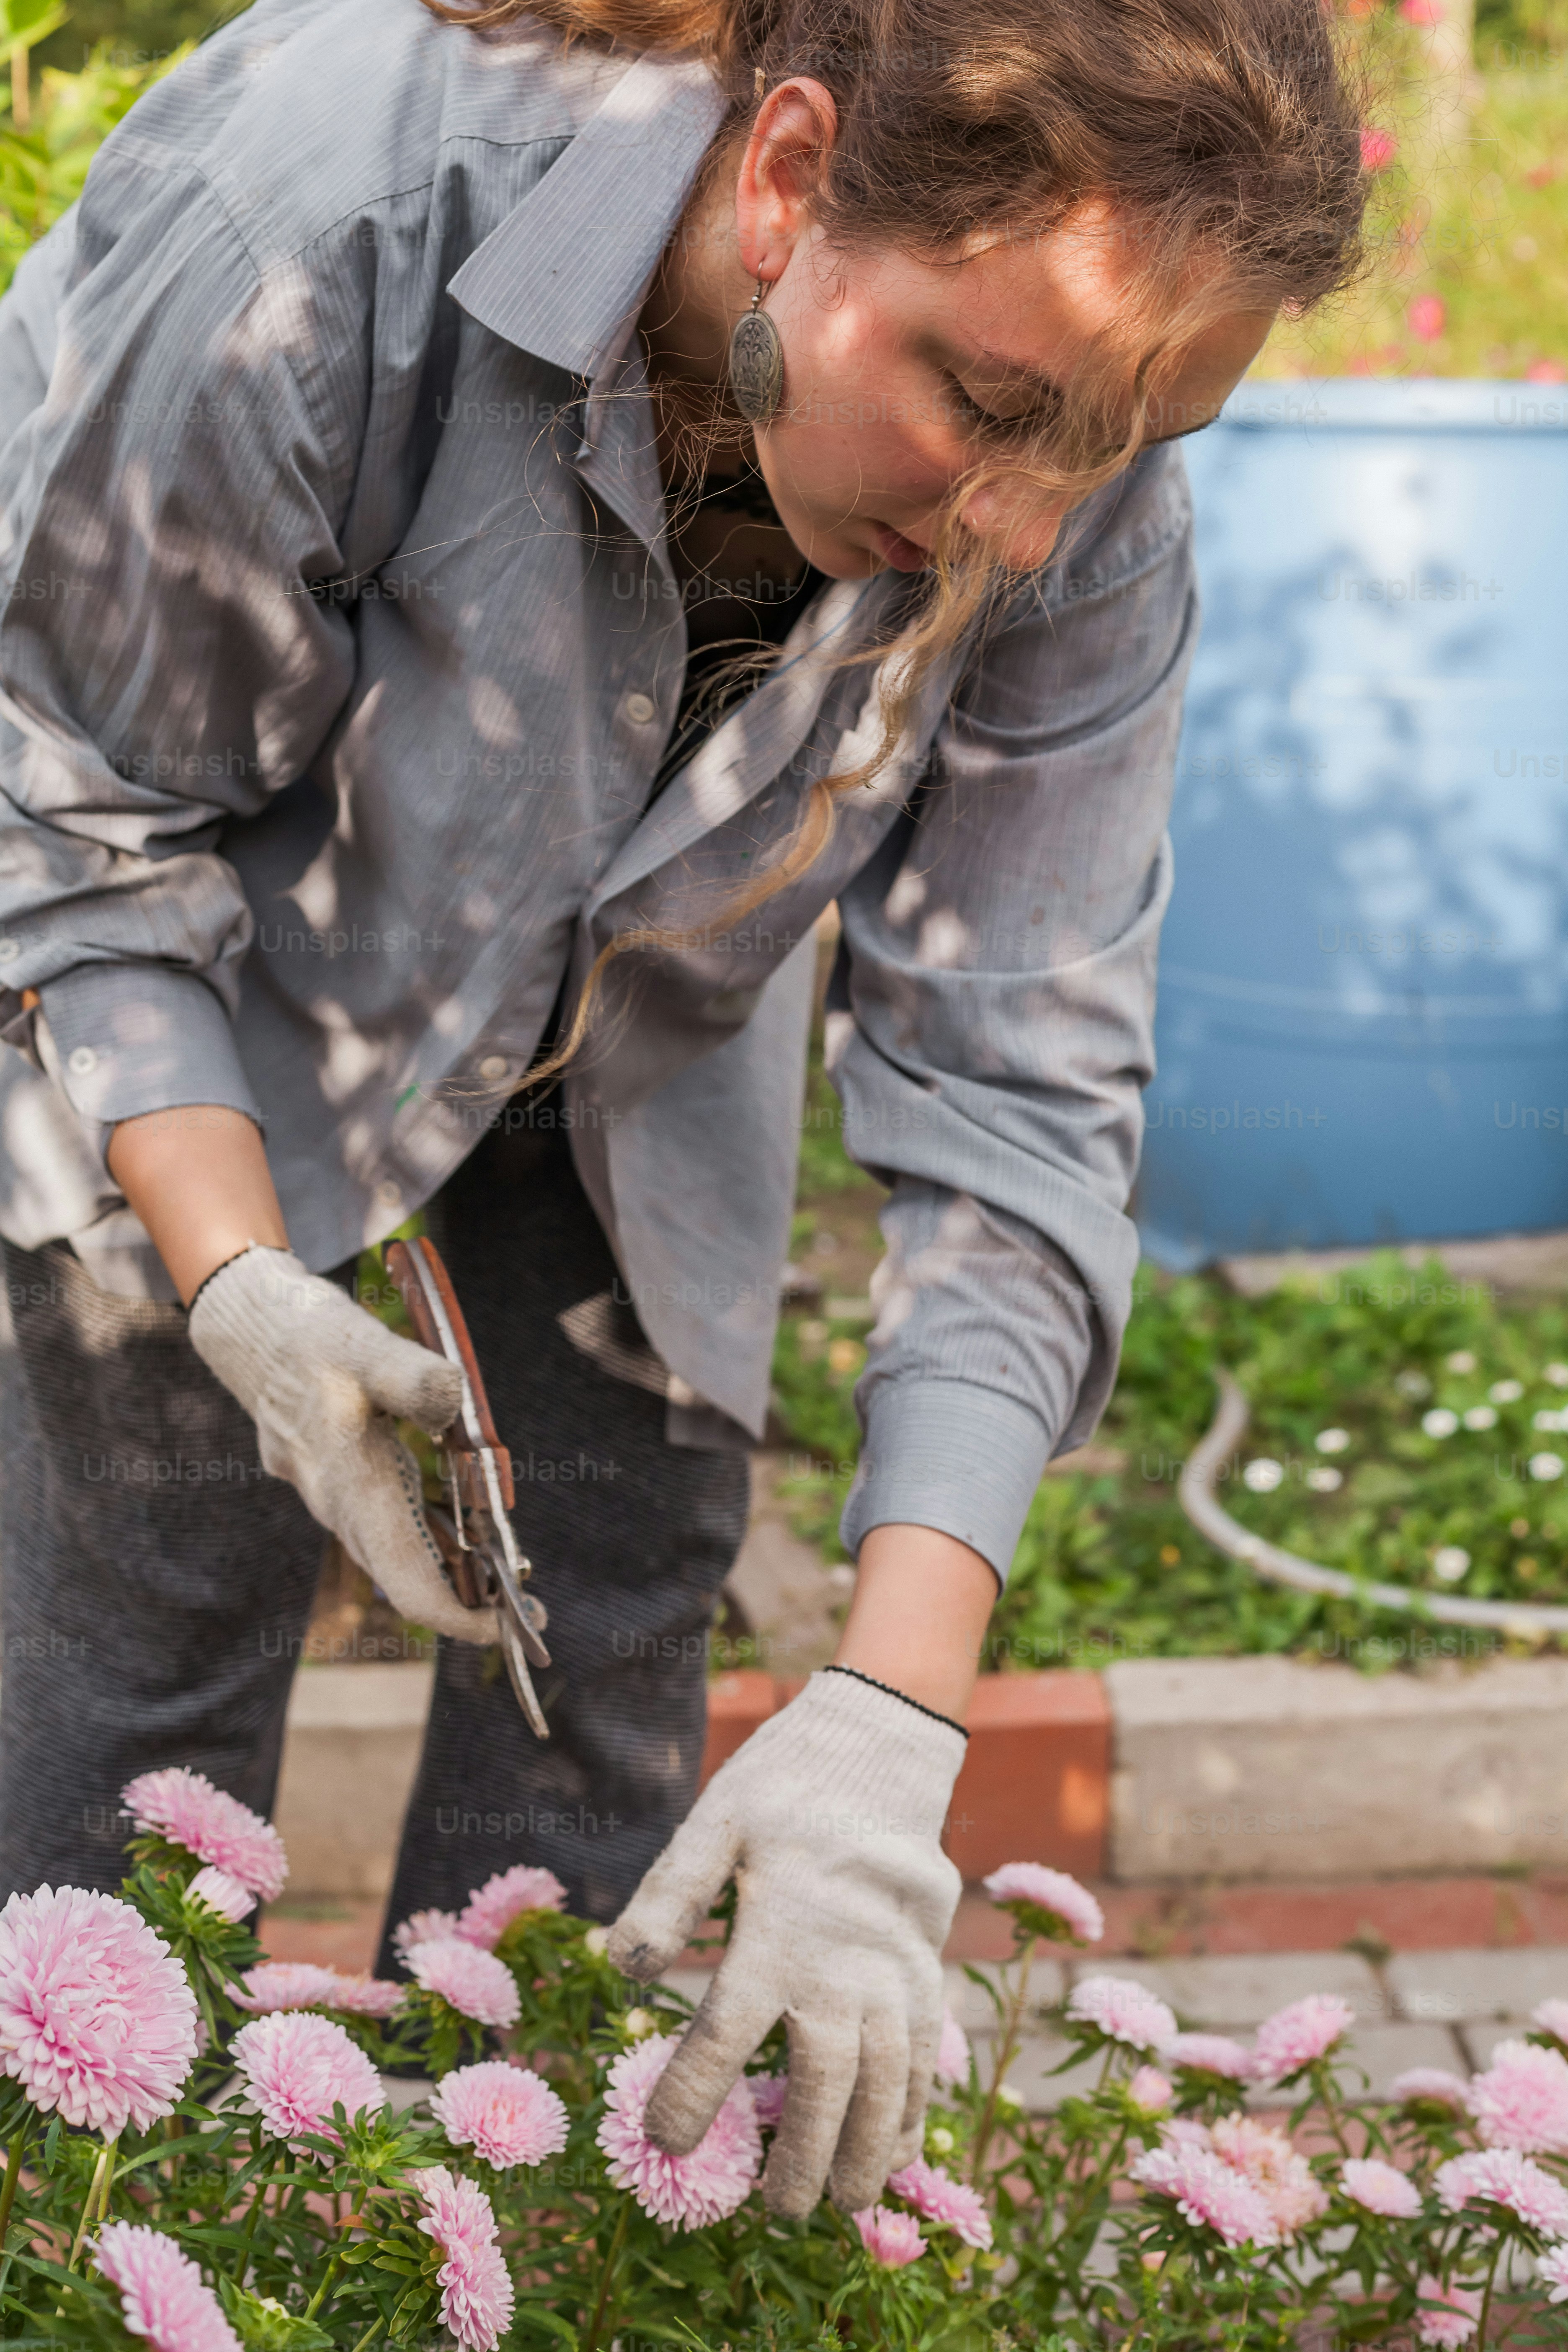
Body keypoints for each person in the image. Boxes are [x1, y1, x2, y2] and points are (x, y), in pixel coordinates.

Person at [0, 0, 1363, 2220]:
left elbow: (1016, 1104)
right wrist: (240, 1284)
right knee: (148, 1616)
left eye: (1123, 443)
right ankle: (74, 2241)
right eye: (990, 406)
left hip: (646, 1033)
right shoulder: (312, 211)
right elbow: (84, 826)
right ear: (790, 175)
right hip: (219, 972)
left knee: (607, 1636)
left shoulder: (1080, 490)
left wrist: (891, 1728)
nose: (1026, 530)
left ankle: (518, 2238)